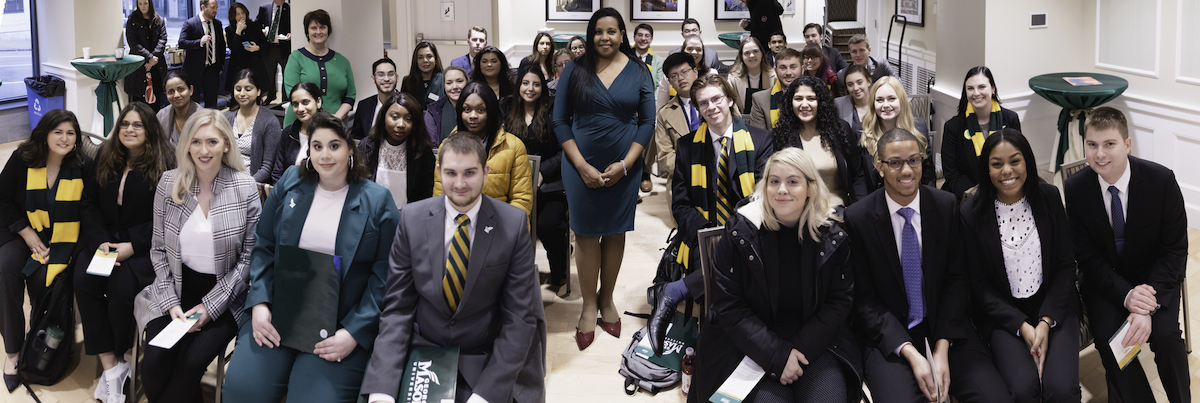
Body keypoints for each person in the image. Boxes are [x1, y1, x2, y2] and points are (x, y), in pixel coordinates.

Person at [221, 112, 399, 403]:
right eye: (317, 146)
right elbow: (264, 245)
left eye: (334, 145)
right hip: (279, 316)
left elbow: (386, 276)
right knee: (243, 393)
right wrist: (260, 304)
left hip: (339, 327)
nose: (325, 155)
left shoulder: (377, 201)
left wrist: (354, 333)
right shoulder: (291, 181)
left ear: (349, 149)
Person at [361, 133, 546, 403]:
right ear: (438, 171)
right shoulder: (411, 219)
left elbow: (519, 319)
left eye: (470, 173)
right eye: (451, 173)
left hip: (483, 356)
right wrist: (383, 390)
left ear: (486, 171)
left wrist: (486, 395)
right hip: (423, 352)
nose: (460, 184)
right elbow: (397, 309)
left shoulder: (512, 224)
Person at [845, 128, 1010, 403]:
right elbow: (865, 301)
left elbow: (957, 280)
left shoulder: (946, 205)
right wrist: (910, 352)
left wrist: (942, 348)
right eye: (895, 162)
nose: (907, 170)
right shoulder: (858, 218)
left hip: (945, 325)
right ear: (879, 166)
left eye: (914, 160)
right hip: (890, 334)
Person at [688, 147, 862, 403]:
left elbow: (839, 301)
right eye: (774, 181)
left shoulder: (832, 234)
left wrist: (797, 351)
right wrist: (778, 355)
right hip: (750, 342)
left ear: (810, 188)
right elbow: (729, 305)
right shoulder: (739, 231)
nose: (781, 190)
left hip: (816, 340)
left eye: (793, 182)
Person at [1064, 107, 1190, 403]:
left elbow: (1174, 250)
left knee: (1167, 338)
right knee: (1113, 343)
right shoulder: (1075, 188)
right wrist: (1126, 295)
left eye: (1110, 144)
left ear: (1127, 144)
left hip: (1155, 280)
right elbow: (1087, 257)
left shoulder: (1161, 181)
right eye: (1092, 145)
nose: (1099, 154)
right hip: (1107, 284)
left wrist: (1144, 304)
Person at [134, 109, 260, 403]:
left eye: (213, 142)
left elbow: (250, 258)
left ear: (226, 145)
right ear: (186, 144)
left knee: (189, 365)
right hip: (176, 289)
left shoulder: (244, 186)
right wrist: (169, 302)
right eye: (196, 141)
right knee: (152, 365)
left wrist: (209, 308)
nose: (204, 150)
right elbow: (158, 249)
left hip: (226, 295)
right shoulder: (169, 183)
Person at [552, 7, 654, 351]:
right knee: (584, 233)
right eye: (598, 31)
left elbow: (647, 123)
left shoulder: (640, 71)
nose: (605, 37)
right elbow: (559, 121)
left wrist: (626, 165)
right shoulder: (573, 70)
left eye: (612, 31)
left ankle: (607, 297)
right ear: (591, 35)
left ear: (622, 35)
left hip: (624, 169)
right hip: (579, 166)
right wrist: (581, 165)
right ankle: (588, 304)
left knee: (614, 231)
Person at [648, 74, 773, 356]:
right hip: (703, 234)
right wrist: (708, 233)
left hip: (753, 230)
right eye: (703, 103)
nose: (711, 107)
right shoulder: (688, 146)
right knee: (722, 266)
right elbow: (680, 206)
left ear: (730, 100)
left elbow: (764, 198)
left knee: (730, 265)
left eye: (717, 99)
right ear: (698, 109)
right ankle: (724, 351)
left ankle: (675, 292)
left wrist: (730, 235)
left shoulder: (762, 140)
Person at [961, 129, 1082, 402]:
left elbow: (1065, 267)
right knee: (1024, 389)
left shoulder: (1050, 197)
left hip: (1055, 305)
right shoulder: (970, 214)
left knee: (1061, 389)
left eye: (1015, 161)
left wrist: (1045, 321)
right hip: (1004, 315)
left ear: (1027, 161)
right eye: (996, 164)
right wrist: (1023, 326)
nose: (1007, 170)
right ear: (987, 169)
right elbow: (979, 286)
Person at [76, 102, 174, 402]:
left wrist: (133, 246)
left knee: (120, 291)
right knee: (85, 281)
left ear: (149, 130)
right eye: (125, 124)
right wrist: (100, 241)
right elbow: (89, 203)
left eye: (137, 125)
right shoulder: (105, 156)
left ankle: (119, 353)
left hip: (144, 246)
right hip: (105, 242)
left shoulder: (166, 162)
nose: (129, 130)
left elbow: (167, 216)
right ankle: (112, 365)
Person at [0, 109, 87, 393]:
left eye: (70, 133)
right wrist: (26, 234)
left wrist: (63, 245)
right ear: (45, 133)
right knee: (5, 269)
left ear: (77, 138)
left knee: (42, 281)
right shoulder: (23, 158)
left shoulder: (82, 166)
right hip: (20, 230)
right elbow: (2, 198)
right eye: (57, 132)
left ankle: (37, 340)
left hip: (62, 238)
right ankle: (13, 352)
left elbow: (89, 210)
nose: (64, 138)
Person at [505, 65, 569, 291]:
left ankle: (559, 269)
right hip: (512, 182)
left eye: (536, 84)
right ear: (518, 85)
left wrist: (543, 171)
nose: (530, 89)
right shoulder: (506, 107)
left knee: (547, 225)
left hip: (550, 182)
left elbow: (565, 150)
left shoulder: (553, 110)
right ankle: (512, 275)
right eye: (525, 83)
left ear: (543, 87)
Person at [433, 82, 532, 214]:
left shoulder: (514, 146)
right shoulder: (446, 147)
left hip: (499, 224)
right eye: (467, 110)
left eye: (481, 110)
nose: (473, 116)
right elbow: (440, 198)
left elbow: (521, 200)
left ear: (491, 111)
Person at [772, 75, 867, 206]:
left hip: (841, 212)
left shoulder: (840, 129)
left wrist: (859, 209)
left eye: (811, 98)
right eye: (798, 98)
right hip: (801, 213)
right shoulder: (782, 136)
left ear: (821, 102)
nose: (804, 104)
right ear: (790, 103)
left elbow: (857, 174)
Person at [941, 66, 1021, 199]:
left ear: (993, 89)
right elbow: (952, 174)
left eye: (982, 87)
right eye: (970, 88)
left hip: (1006, 189)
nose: (976, 93)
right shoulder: (953, 127)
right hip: (969, 196)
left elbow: (1017, 161)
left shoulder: (1011, 119)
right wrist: (979, 196)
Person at [360, 92, 436, 209]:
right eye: (394, 117)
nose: (401, 124)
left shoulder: (423, 152)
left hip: (407, 220)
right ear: (383, 117)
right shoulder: (367, 146)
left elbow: (426, 195)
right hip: (373, 217)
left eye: (408, 119)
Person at [282, 9, 355, 126]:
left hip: (334, 125)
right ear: (307, 32)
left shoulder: (342, 61)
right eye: (313, 28)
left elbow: (350, 95)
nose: (318, 31)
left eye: (322, 27)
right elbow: (293, 94)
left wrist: (336, 117)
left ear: (328, 30)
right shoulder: (296, 58)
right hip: (299, 125)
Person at [860, 76, 934, 187]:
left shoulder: (920, 128)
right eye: (880, 100)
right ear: (873, 104)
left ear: (901, 101)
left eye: (891, 99)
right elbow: (860, 180)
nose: (886, 105)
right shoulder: (862, 133)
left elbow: (928, 176)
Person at [651, 52, 702, 212]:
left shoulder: (717, 101)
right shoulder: (665, 114)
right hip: (683, 178)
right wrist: (692, 171)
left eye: (684, 72)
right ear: (669, 82)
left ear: (695, 71)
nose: (680, 78)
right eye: (674, 75)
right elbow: (665, 155)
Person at [223, 69, 282, 182]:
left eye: (248, 89)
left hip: (252, 183)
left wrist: (248, 186)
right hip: (224, 180)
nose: (242, 94)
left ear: (258, 91)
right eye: (238, 89)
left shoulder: (269, 121)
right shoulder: (226, 117)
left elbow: (268, 166)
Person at [270, 81, 323, 183]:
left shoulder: (331, 132)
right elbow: (277, 172)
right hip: (288, 194)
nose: (300, 109)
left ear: (318, 102)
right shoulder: (288, 133)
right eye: (295, 104)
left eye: (305, 102)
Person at [178, 0, 225, 108]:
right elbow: (181, 43)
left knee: (212, 102)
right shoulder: (190, 23)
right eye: (213, 8)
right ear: (203, 7)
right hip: (194, 71)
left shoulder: (217, 24)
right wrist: (199, 42)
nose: (215, 11)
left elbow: (221, 46)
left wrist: (220, 64)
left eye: (216, 8)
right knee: (193, 103)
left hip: (212, 70)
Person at [124, 0, 168, 110]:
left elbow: (162, 40)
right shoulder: (132, 20)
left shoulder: (159, 20)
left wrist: (153, 59)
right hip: (139, 66)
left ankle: (154, 126)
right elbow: (133, 43)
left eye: (145, 3)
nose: (143, 6)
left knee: (156, 102)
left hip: (157, 66)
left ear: (150, 4)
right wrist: (150, 57)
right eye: (140, 4)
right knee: (139, 104)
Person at [655, 35, 717, 111]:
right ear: (683, 50)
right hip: (676, 116)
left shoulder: (711, 73)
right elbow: (661, 106)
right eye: (690, 49)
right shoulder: (670, 75)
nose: (694, 52)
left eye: (698, 49)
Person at [747, 47, 802, 131]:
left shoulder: (814, 97)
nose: (788, 73)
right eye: (783, 68)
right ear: (775, 70)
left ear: (802, 69)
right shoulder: (760, 100)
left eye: (793, 67)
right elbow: (759, 140)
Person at [224, 2, 268, 96]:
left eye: (242, 13)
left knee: (256, 91)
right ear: (233, 16)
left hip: (254, 63)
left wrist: (257, 48)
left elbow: (265, 44)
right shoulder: (229, 29)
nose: (241, 16)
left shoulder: (255, 26)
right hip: (238, 65)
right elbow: (233, 48)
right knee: (239, 92)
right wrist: (238, 31)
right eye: (237, 14)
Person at [351, 58, 398, 141]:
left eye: (390, 74)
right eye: (381, 74)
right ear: (373, 79)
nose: (386, 79)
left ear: (397, 77)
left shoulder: (409, 104)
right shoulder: (363, 106)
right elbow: (356, 139)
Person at [727, 37, 776, 112]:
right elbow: (731, 105)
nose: (752, 55)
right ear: (741, 56)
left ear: (761, 53)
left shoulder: (774, 76)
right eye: (747, 53)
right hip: (742, 120)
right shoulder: (732, 78)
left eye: (755, 51)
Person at [255, 0, 291, 104]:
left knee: (287, 73)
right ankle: (270, 96)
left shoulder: (290, 8)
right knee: (268, 73)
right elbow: (257, 24)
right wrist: (262, 30)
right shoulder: (264, 8)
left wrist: (291, 33)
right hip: (269, 46)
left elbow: (295, 25)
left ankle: (285, 99)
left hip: (284, 46)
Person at [156, 69, 203, 146]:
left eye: (180, 89)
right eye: (171, 92)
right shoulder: (161, 115)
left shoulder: (203, 117)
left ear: (190, 90)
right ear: (166, 94)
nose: (176, 95)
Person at [424, 65, 468, 147]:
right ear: (444, 86)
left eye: (459, 81)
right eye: (449, 83)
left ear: (467, 82)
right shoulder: (433, 111)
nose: (454, 87)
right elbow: (432, 146)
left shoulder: (479, 107)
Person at [400, 42, 446, 110]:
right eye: (420, 57)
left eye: (429, 56)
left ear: (436, 59)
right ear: (416, 61)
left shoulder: (444, 80)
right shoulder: (407, 82)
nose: (425, 60)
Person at [833, 64, 872, 135]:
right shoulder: (838, 104)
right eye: (850, 85)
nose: (855, 88)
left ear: (869, 81)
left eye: (859, 82)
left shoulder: (880, 103)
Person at [632, 24, 665, 92]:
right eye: (640, 35)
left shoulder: (659, 62)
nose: (643, 39)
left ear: (651, 39)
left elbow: (659, 87)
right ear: (634, 37)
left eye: (647, 36)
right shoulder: (624, 58)